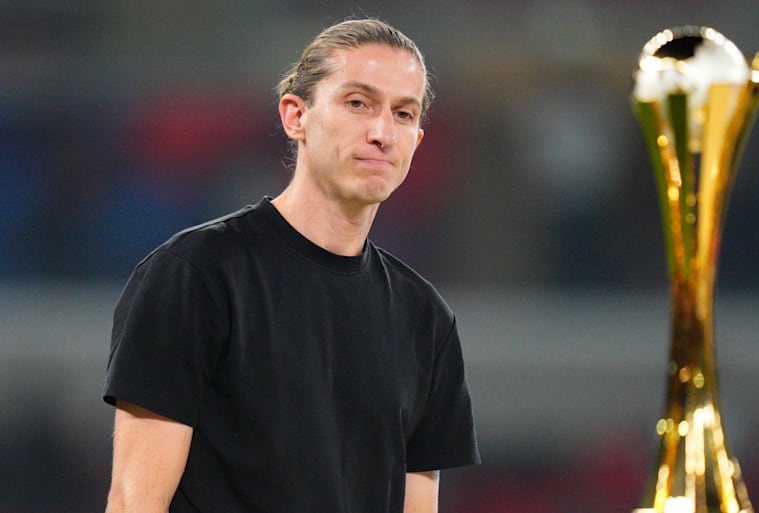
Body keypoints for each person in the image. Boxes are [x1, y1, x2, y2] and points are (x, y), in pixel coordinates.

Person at [103, 18, 480, 513]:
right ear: (295, 116)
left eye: (404, 114)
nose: (382, 132)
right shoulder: (195, 276)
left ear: (417, 142)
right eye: (358, 103)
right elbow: (135, 502)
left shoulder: (426, 320)